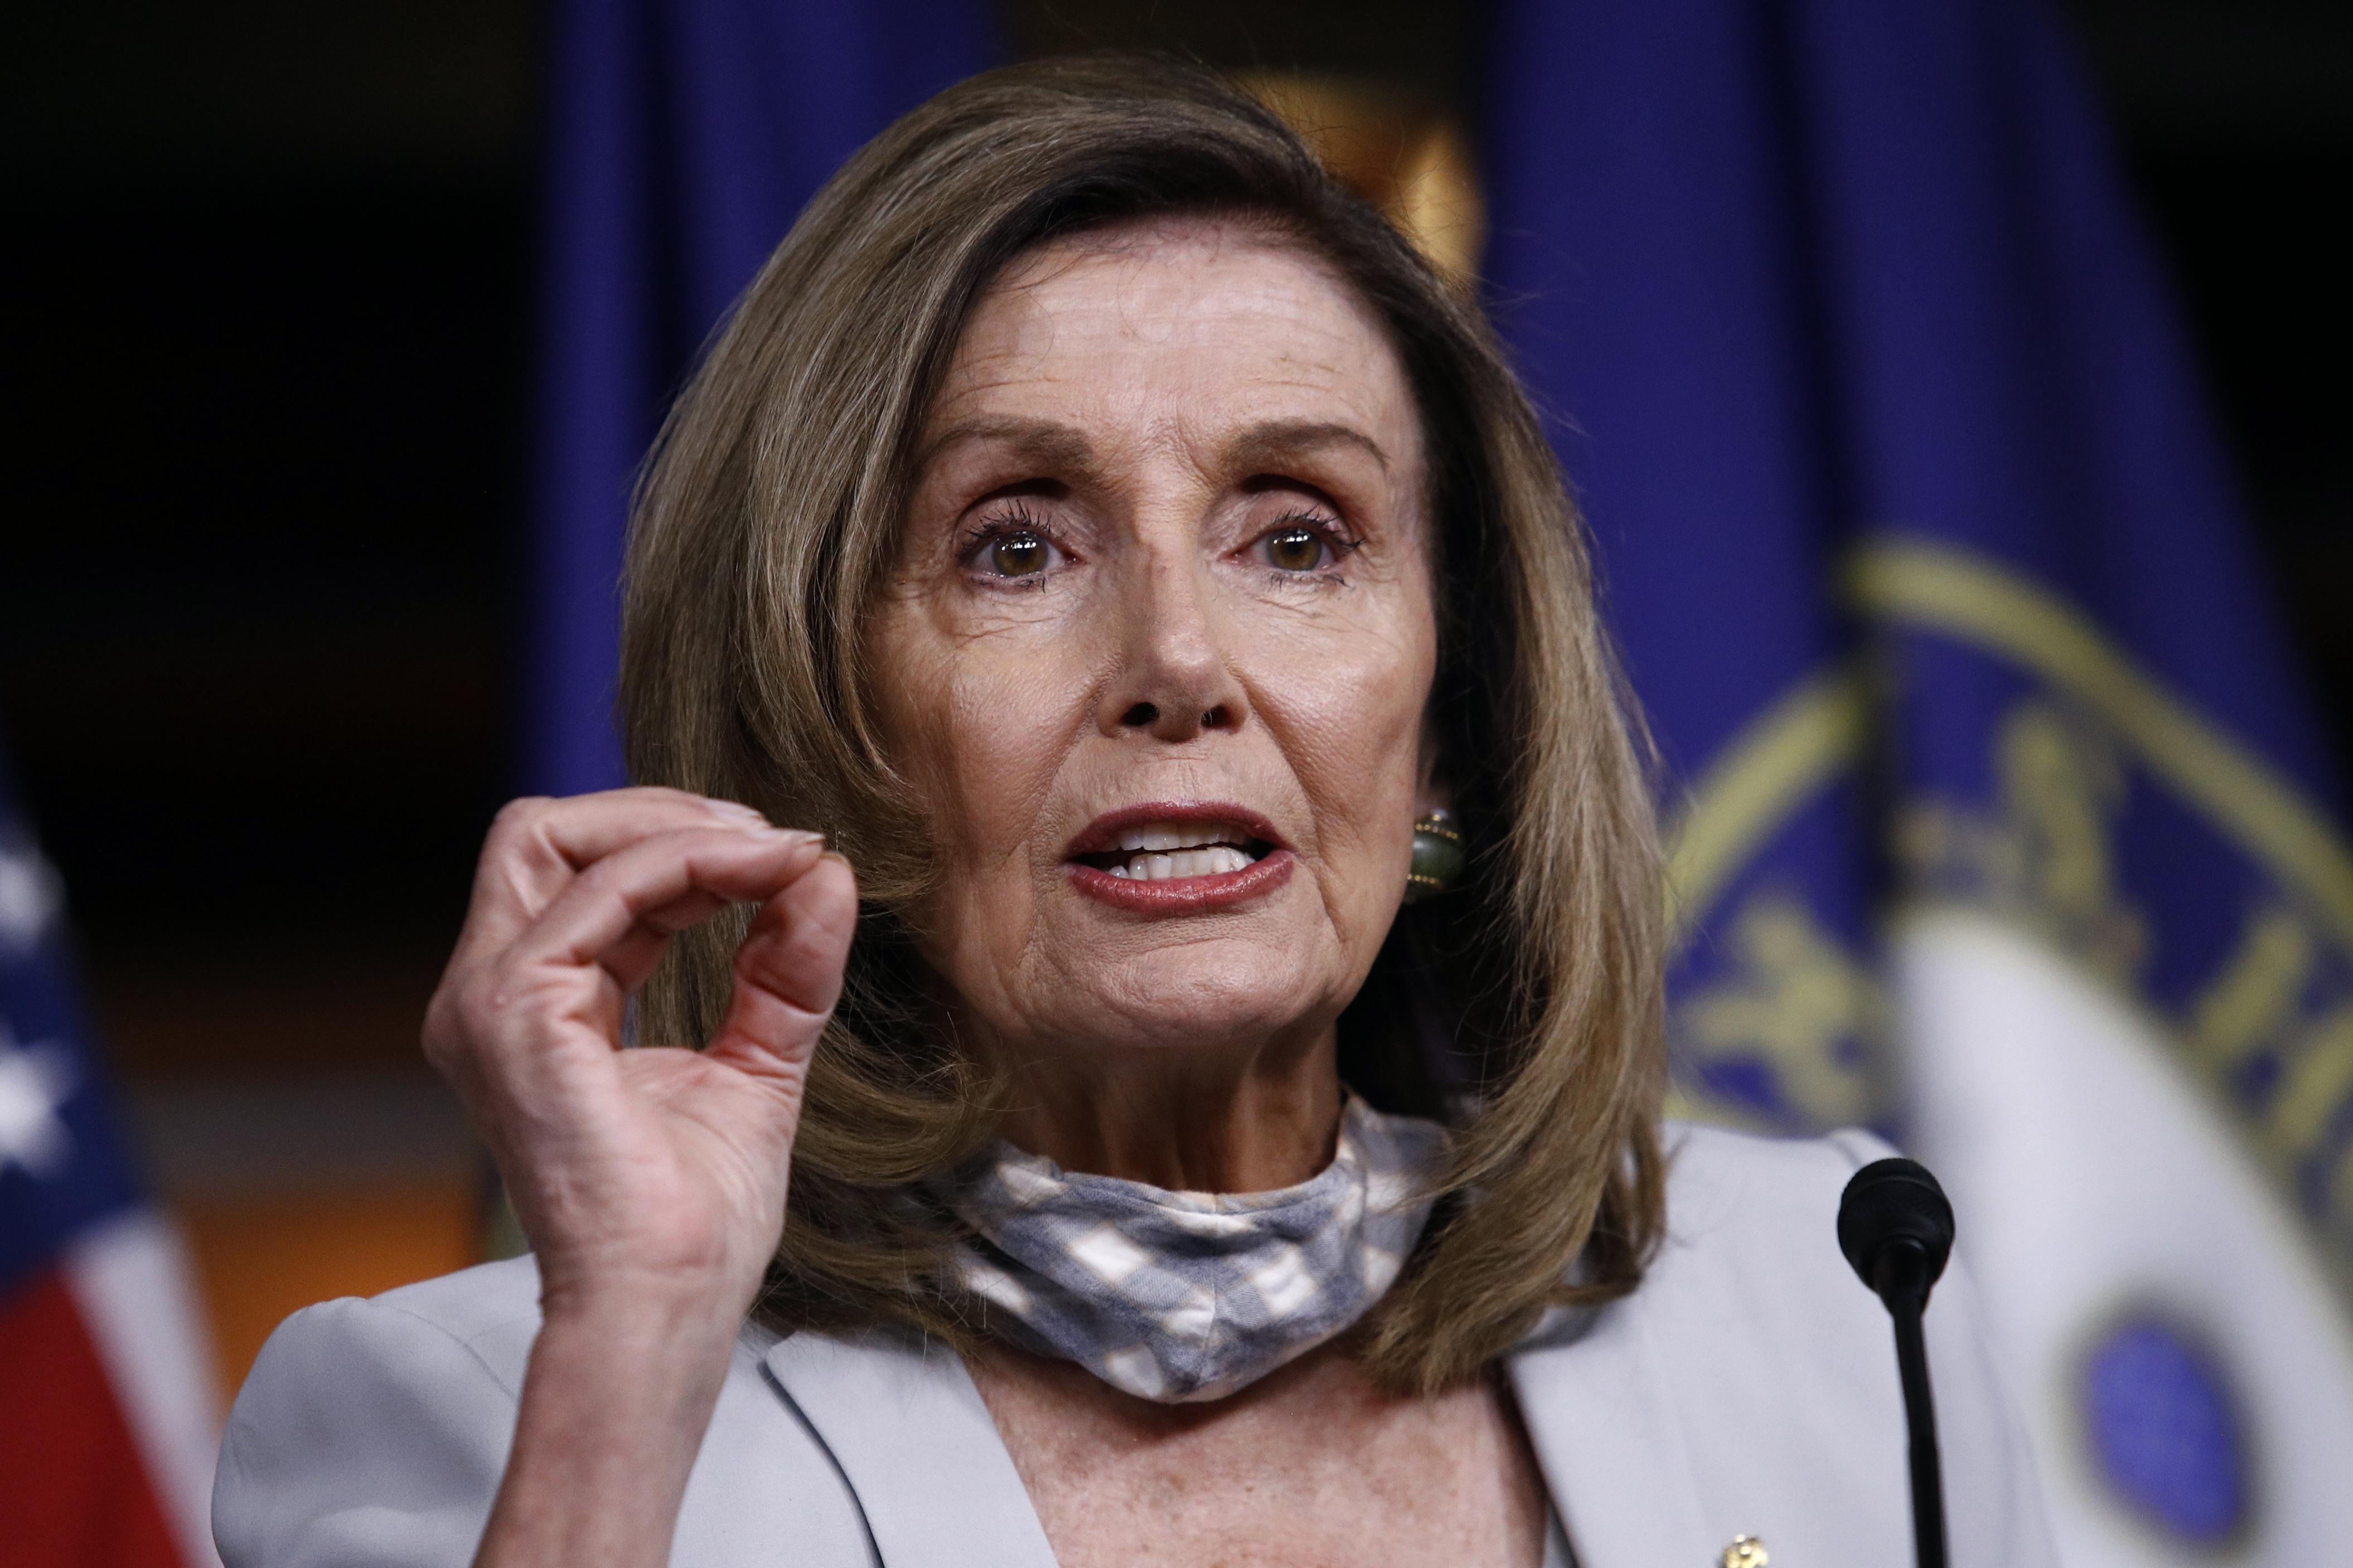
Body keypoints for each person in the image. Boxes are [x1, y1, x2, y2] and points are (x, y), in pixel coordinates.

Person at [213, 57, 2056, 1568]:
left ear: (1449, 729)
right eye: (1015, 546)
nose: (1176, 657)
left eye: (1295, 537)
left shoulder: (1844, 1302)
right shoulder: (478, 1406)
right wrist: (627, 1357)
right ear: (820, 713)